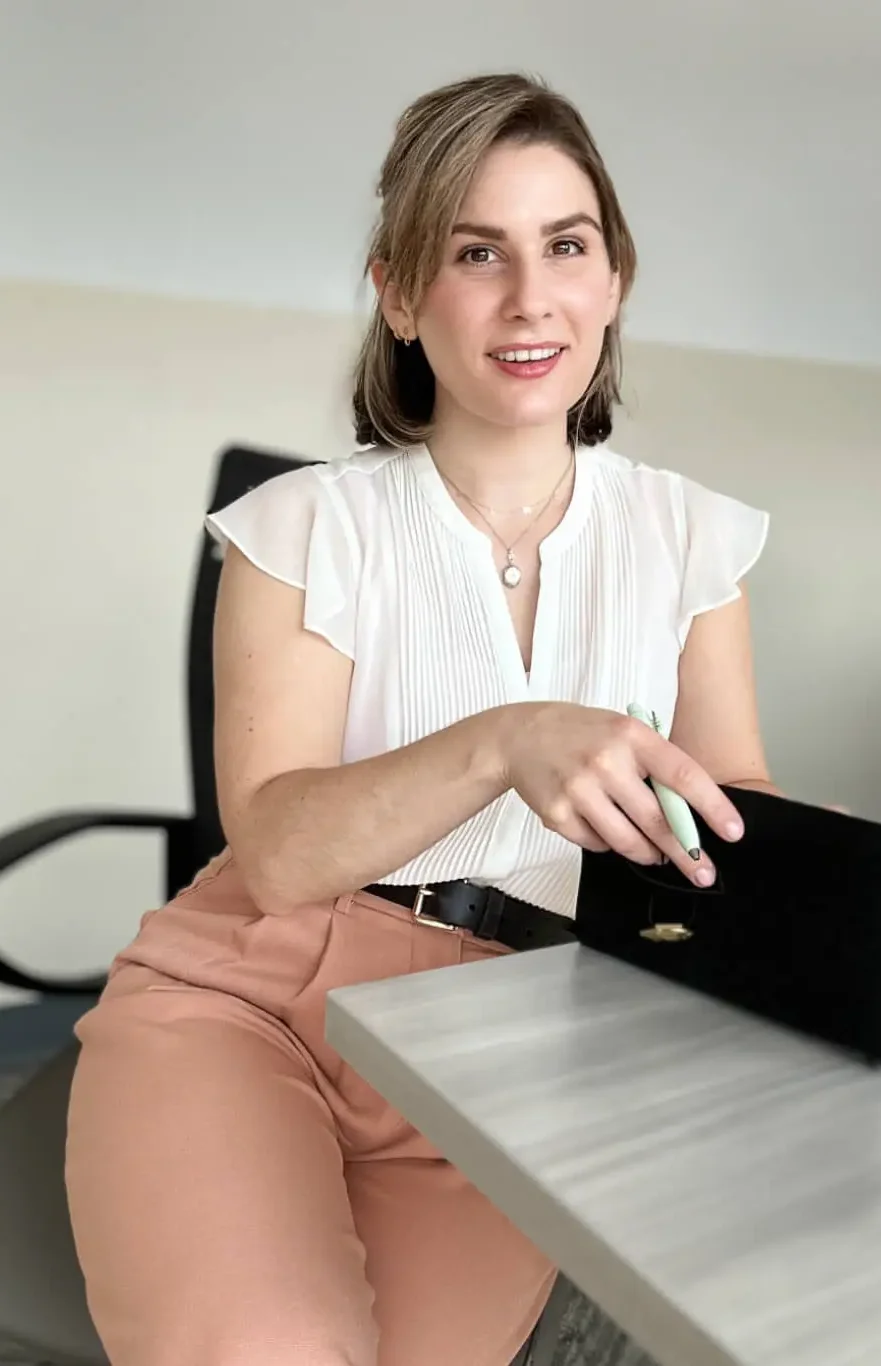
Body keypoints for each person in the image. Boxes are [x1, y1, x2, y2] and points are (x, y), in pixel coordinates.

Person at [64, 71, 778, 1366]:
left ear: (614, 276)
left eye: (566, 245)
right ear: (400, 291)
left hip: (523, 1047)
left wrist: (853, 872)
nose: (529, 298)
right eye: (475, 253)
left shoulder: (693, 540)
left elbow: (730, 814)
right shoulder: (299, 527)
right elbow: (274, 849)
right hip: (261, 996)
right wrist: (509, 738)